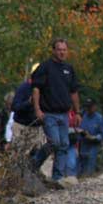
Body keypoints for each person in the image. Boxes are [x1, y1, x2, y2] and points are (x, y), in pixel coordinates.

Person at [32, 39, 81, 182]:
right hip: (49, 113)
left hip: (64, 114)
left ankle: (57, 177)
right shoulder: (45, 67)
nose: (62, 52)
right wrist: (37, 109)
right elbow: (36, 89)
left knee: (64, 145)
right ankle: (34, 163)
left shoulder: (69, 69)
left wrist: (77, 112)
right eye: (59, 49)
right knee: (54, 142)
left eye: (64, 49)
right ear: (53, 50)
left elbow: (74, 91)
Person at [77, 98, 103, 175]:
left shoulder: (99, 118)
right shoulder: (83, 116)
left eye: (90, 107)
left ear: (95, 107)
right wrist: (82, 132)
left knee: (90, 165)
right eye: (87, 107)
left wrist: (94, 137)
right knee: (81, 166)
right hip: (83, 144)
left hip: (93, 145)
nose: (88, 109)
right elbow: (78, 128)